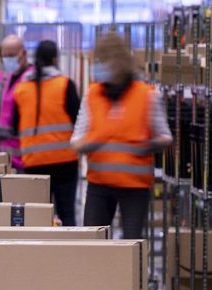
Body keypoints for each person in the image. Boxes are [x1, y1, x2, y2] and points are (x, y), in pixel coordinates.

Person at [71, 33, 172, 240]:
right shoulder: (93, 95)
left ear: (118, 62)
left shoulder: (147, 95)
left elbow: (165, 136)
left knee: (131, 246)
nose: (99, 66)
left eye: (103, 60)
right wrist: (90, 144)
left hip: (135, 188)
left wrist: (149, 145)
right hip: (99, 185)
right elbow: (76, 139)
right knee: (93, 244)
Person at [13, 40, 81, 226]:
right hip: (64, 161)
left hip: (33, 162)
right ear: (55, 59)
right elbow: (79, 120)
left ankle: (39, 253)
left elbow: (14, 126)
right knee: (66, 214)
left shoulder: (21, 89)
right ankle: (69, 253)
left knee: (37, 217)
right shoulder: (65, 85)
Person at [0, 35, 31, 171]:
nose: (9, 60)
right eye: (5, 56)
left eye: (12, 55)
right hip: (5, 155)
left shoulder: (33, 78)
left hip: (28, 154)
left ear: (23, 53)